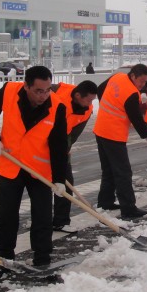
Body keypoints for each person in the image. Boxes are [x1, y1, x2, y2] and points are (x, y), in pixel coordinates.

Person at [0, 65, 68, 270]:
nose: (44, 95)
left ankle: (43, 259)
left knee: (43, 216)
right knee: (7, 215)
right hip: (11, 164)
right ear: (26, 86)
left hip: (39, 171)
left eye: (47, 90)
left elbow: (59, 146)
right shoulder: (9, 91)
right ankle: (4, 260)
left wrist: (59, 179)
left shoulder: (57, 106)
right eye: (39, 91)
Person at [93, 64, 147, 219]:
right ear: (133, 76)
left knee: (108, 170)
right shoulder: (131, 93)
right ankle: (128, 208)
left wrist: (107, 105)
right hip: (114, 135)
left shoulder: (117, 77)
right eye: (141, 81)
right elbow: (136, 118)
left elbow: (100, 88)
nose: (143, 85)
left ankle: (105, 202)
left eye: (145, 82)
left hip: (100, 129)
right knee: (123, 172)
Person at [50, 80, 98, 232]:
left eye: (92, 100)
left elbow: (74, 133)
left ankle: (61, 221)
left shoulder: (87, 110)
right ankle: (41, 220)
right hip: (38, 141)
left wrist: (65, 149)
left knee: (65, 181)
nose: (90, 104)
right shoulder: (56, 94)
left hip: (61, 143)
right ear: (78, 95)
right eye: (88, 100)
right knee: (39, 184)